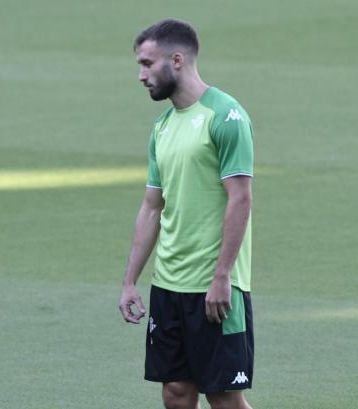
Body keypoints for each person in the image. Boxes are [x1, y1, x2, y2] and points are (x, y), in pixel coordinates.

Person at [118, 19, 255, 409]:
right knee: (175, 393)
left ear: (176, 60)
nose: (141, 75)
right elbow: (151, 207)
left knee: (224, 397)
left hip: (215, 287)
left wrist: (222, 276)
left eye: (147, 64)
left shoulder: (226, 117)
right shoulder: (162, 127)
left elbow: (241, 198)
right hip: (169, 286)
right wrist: (130, 281)